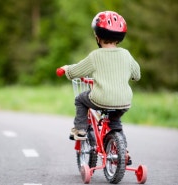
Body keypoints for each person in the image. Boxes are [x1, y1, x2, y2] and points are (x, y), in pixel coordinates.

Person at [59, 11, 140, 162]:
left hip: (101, 98)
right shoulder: (126, 54)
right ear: (120, 38)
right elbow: (137, 75)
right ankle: (123, 152)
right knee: (115, 124)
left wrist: (67, 70)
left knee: (80, 99)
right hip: (124, 101)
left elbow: (76, 71)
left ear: (97, 36)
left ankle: (80, 130)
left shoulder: (95, 56)